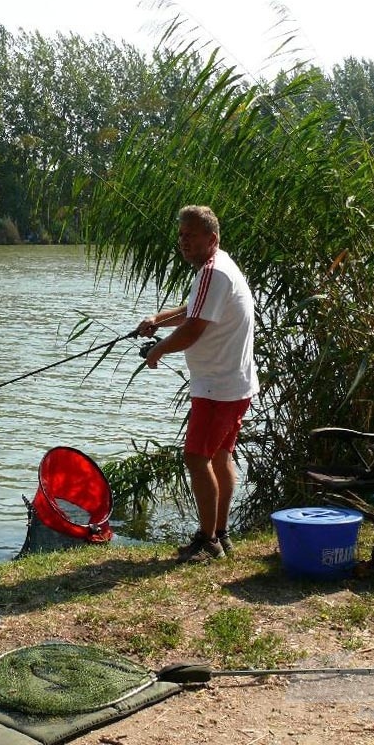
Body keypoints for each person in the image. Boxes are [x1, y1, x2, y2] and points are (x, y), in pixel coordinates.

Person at [135, 205, 259, 563]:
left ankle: (208, 541)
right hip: (234, 384)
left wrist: (157, 351)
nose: (183, 242)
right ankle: (220, 533)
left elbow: (193, 329)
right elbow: (195, 310)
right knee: (221, 457)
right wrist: (158, 320)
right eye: (180, 235)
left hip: (218, 388)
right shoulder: (219, 266)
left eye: (190, 235)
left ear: (212, 238)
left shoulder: (212, 273)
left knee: (196, 457)